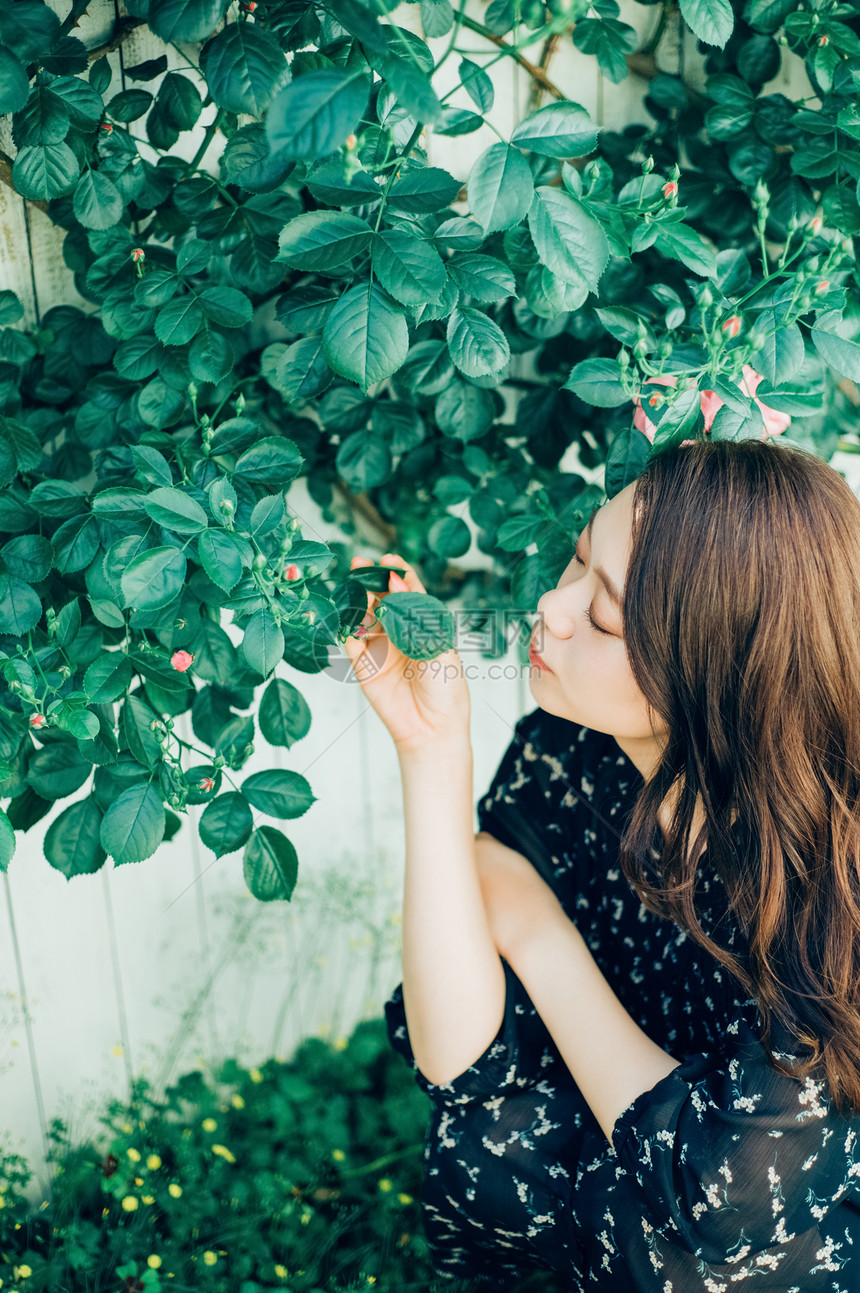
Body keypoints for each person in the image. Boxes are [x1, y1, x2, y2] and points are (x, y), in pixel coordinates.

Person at [342, 438, 860, 1292]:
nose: (550, 604)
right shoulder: (570, 750)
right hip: (641, 1138)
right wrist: (432, 754)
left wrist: (541, 938)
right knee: (488, 1141)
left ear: (712, 672)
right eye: (578, 559)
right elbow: (458, 1063)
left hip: (797, 1230)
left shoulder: (830, 878)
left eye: (607, 613)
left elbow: (723, 1204)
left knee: (681, 1260)